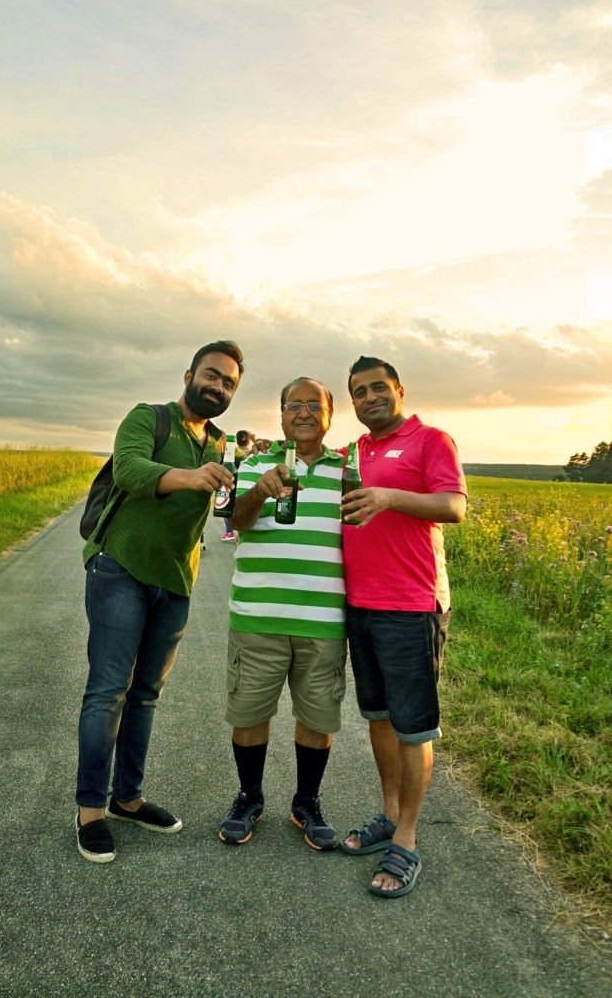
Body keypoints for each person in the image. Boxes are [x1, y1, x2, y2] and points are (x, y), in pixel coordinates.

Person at [75, 340, 245, 863]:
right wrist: (189, 478)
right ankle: (89, 812)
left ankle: (127, 797)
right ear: (190, 373)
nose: (217, 387)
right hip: (120, 567)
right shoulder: (149, 418)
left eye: (228, 384)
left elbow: (229, 509)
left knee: (146, 695)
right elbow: (128, 470)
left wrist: (252, 468)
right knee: (109, 692)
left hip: (176, 582)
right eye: (212, 375)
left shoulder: (222, 444)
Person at [339, 356, 467, 897]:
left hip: (411, 605)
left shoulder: (431, 440)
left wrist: (391, 498)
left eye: (378, 388)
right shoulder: (353, 452)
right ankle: (389, 814)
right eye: (359, 392)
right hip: (360, 605)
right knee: (380, 717)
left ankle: (408, 840)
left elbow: (453, 506)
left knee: (414, 727)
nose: (370, 397)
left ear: (399, 390)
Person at [218, 377, 346, 850]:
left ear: (330, 415)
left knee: (317, 718)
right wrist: (259, 493)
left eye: (315, 405)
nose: (305, 412)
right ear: (281, 415)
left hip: (323, 622)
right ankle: (249, 797)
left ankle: (306, 802)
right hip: (257, 619)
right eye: (295, 405)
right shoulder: (253, 464)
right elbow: (235, 522)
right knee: (249, 713)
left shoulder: (347, 471)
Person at [221, 429, 254, 542]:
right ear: (248, 440)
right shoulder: (253, 453)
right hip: (246, 485)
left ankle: (229, 532)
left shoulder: (232, 452)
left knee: (228, 507)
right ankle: (239, 533)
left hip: (233, 483)